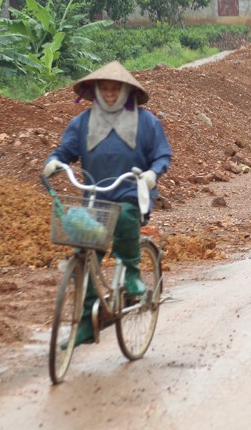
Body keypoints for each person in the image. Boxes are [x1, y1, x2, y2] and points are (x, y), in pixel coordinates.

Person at [42, 61, 172, 348]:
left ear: (127, 92)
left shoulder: (146, 122)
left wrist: (152, 174)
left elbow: (163, 155)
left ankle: (132, 276)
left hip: (130, 194)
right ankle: (87, 322)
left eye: (116, 89)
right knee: (83, 254)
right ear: (96, 91)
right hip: (95, 198)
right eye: (106, 89)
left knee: (125, 217)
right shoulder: (83, 123)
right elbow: (66, 150)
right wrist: (55, 161)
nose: (111, 94)